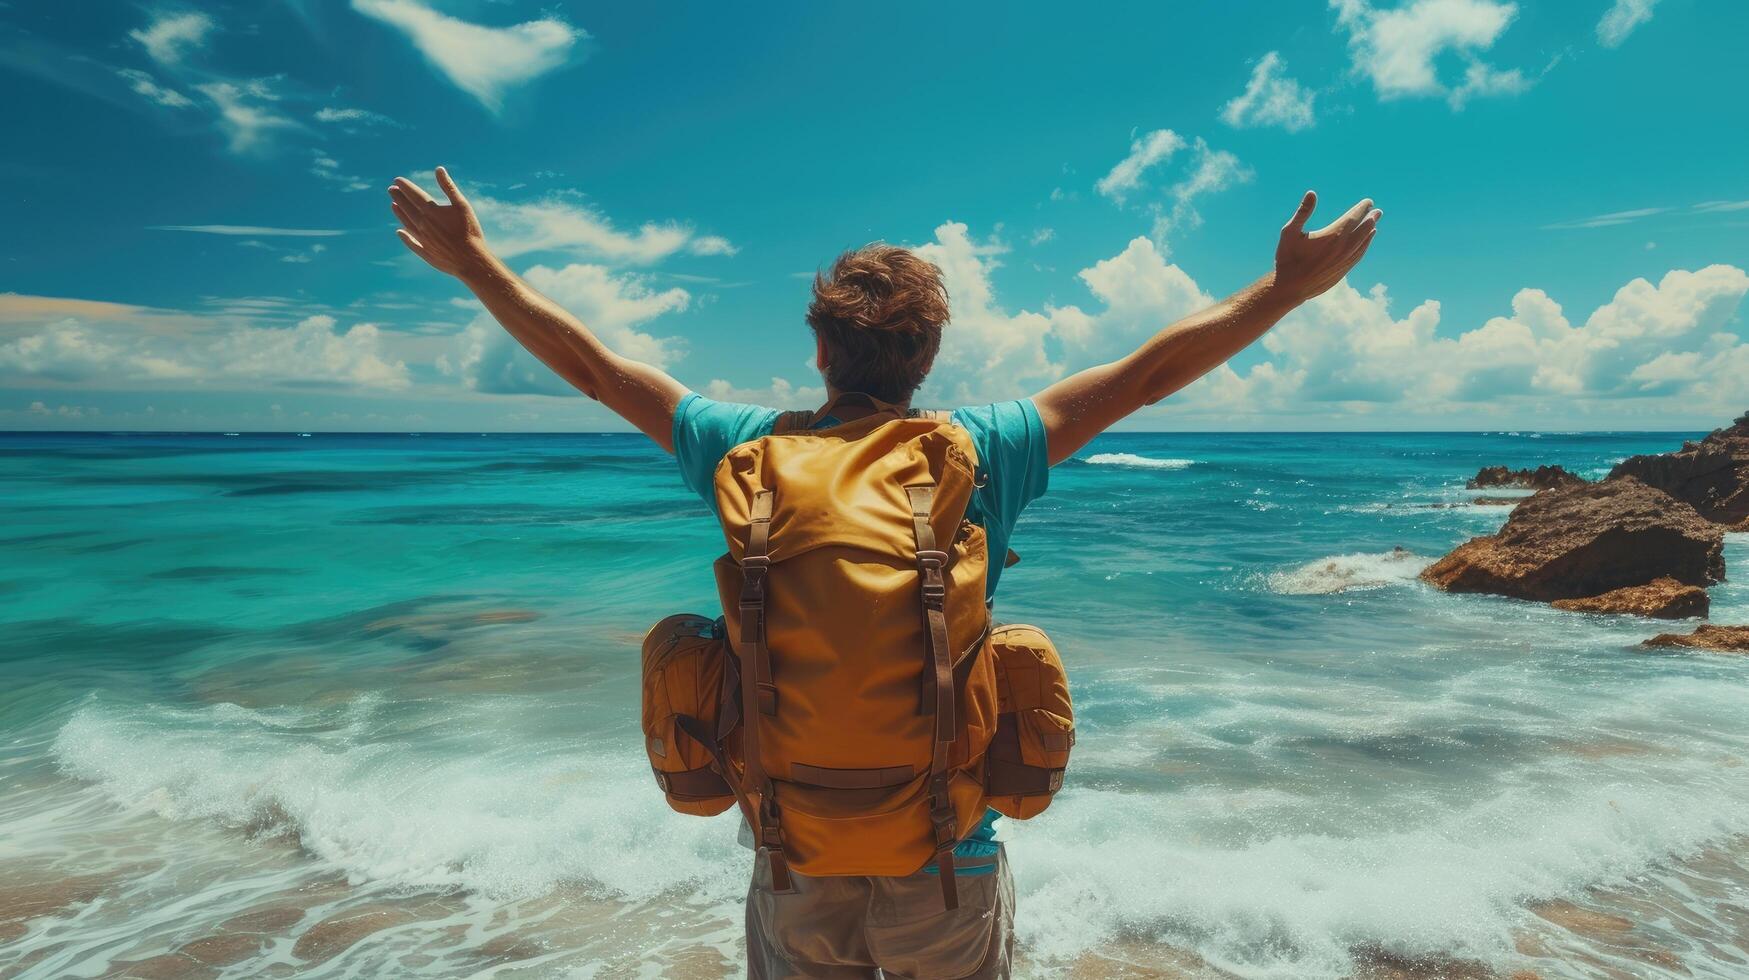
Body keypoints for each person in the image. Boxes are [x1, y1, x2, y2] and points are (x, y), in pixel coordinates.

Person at [387, 168, 1380, 979]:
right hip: (951, 857)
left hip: (793, 856)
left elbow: (599, 370)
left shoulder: (745, 450)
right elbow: (1146, 375)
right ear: (929, 355)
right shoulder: (984, 448)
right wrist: (1284, 290)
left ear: (818, 347)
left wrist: (477, 263)